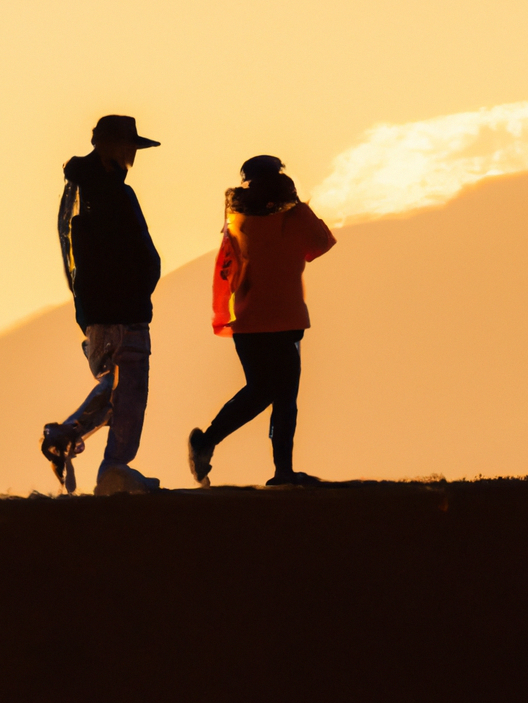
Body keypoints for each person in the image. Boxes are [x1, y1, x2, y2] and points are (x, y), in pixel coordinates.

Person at [188, 155, 336, 487]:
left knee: (261, 390)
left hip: (248, 319)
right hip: (285, 318)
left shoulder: (236, 218)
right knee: (282, 396)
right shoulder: (294, 214)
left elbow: (228, 267)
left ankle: (210, 442)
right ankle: (280, 469)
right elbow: (322, 243)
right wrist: (300, 205)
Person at [41, 115, 162, 495]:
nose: (132, 153)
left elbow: (72, 254)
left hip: (96, 312)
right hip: (122, 309)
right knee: (130, 391)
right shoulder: (109, 192)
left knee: (113, 388)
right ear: (109, 147)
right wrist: (141, 286)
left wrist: (86, 308)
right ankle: (114, 468)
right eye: (128, 145)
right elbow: (130, 253)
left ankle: (64, 436)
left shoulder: (80, 190)